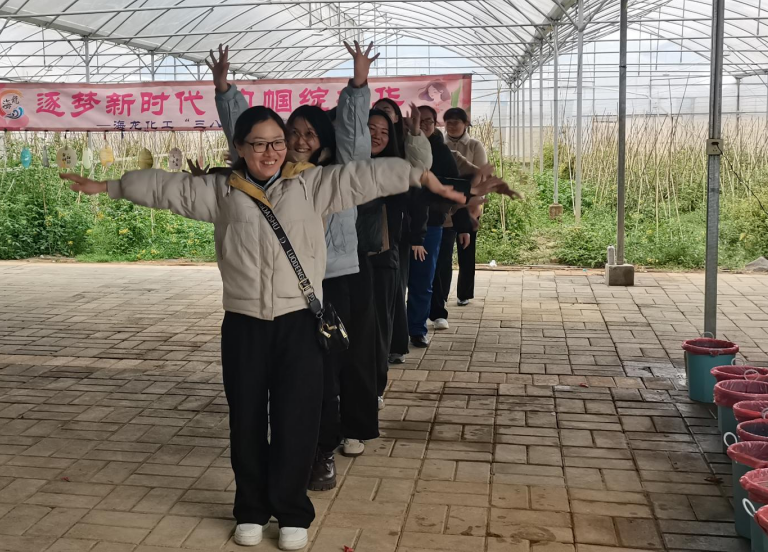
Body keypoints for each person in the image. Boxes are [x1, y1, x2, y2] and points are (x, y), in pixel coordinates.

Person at [61, 81, 476, 549]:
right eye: (258, 144)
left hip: (300, 322)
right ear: (240, 147)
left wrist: (421, 177)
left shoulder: (310, 185)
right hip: (244, 325)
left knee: (297, 418)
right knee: (247, 420)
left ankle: (292, 510)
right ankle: (251, 510)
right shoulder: (222, 191)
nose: (271, 152)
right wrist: (111, 186)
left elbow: (365, 177)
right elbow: (167, 188)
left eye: (277, 142)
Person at [215, 42, 379, 493]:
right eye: (294, 133)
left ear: (324, 139)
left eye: (310, 134)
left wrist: (358, 84)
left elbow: (354, 135)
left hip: (335, 281)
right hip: (284, 293)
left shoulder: (337, 173)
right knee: (296, 380)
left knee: (328, 374)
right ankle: (291, 456)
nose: (301, 141)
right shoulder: (273, 175)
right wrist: (226, 91)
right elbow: (245, 133)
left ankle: (321, 451)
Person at [358, 106, 432, 402]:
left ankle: (374, 388)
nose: (377, 136)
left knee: (378, 325)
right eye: (370, 130)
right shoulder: (342, 165)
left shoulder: (396, 167)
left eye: (384, 132)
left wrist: (414, 136)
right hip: (341, 258)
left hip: (382, 253)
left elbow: (419, 175)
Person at [403, 105, 463, 349]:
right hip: (400, 222)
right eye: (419, 121)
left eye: (428, 121)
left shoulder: (441, 150)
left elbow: (455, 186)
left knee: (423, 277)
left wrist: (434, 204)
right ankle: (396, 331)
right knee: (398, 280)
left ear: (435, 123)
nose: (424, 125)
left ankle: (417, 328)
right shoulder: (400, 147)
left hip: (432, 224)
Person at [431, 107, 488, 324]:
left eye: (457, 122)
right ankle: (440, 298)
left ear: (465, 124)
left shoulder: (474, 145)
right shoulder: (439, 143)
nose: (452, 126)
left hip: (468, 205)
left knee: (466, 250)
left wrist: (475, 201)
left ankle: (464, 292)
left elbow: (480, 174)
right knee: (444, 255)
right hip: (445, 206)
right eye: (449, 122)